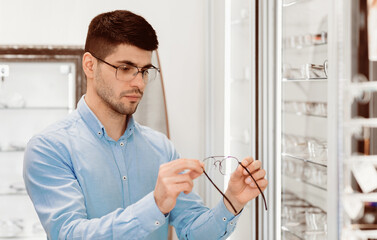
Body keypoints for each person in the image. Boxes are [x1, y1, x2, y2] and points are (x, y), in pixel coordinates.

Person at [23, 10, 268, 240]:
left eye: (144, 71)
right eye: (125, 68)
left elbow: (193, 232)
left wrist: (233, 201)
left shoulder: (160, 147)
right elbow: (70, 234)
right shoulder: (49, 148)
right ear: (90, 65)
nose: (139, 82)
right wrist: (155, 205)